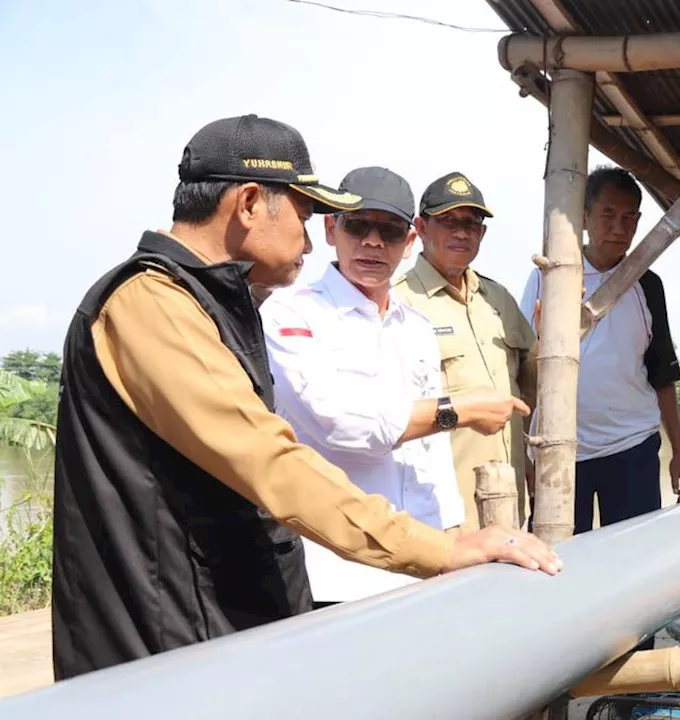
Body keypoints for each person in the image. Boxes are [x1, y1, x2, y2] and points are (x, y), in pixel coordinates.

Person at [49, 115, 560, 681]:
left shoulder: (213, 301)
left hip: (211, 618)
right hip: (165, 636)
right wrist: (439, 550)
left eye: (388, 231)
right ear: (248, 203)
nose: (311, 235)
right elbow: (269, 460)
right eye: (306, 212)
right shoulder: (152, 302)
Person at [259, 166, 530, 606]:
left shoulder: (416, 326)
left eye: (388, 231)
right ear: (331, 228)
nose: (371, 242)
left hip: (426, 561)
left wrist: (453, 532)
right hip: (337, 569)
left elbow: (431, 455)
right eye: (358, 226)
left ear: (408, 243)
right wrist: (458, 409)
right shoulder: (291, 315)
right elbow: (341, 424)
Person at [519, 165, 680, 537]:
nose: (619, 227)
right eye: (608, 215)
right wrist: (525, 455)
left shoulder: (647, 284)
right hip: (562, 451)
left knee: (635, 558)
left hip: (633, 446)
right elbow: (525, 373)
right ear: (584, 218)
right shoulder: (547, 277)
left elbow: (662, 375)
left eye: (629, 217)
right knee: (559, 560)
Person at [391, 172, 538, 531]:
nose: (462, 232)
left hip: (508, 505)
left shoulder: (498, 299)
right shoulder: (397, 301)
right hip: (440, 517)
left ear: (482, 234)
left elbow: (529, 384)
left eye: (472, 224)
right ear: (421, 227)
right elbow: (384, 418)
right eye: (448, 221)